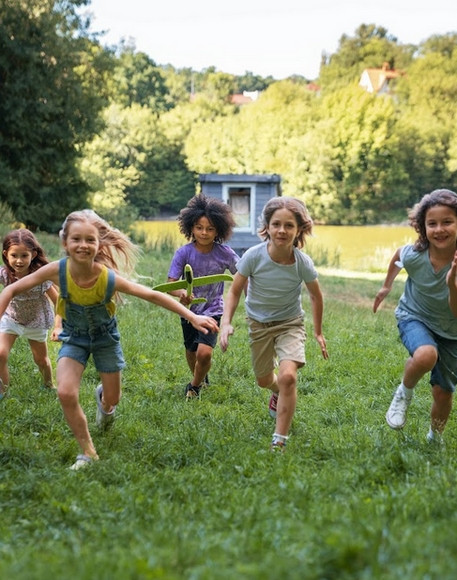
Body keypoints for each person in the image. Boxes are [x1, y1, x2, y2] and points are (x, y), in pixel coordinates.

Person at [0, 210, 219, 469]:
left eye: (90, 240)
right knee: (65, 391)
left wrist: (192, 317)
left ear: (98, 244)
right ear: (65, 243)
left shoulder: (106, 277)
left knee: (113, 399)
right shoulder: (56, 270)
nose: (83, 245)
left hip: (105, 340)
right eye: (76, 239)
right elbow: (12, 289)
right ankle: (87, 451)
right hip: (75, 338)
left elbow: (151, 295)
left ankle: (104, 400)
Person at [219, 197, 328, 452]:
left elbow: (315, 295)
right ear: (266, 227)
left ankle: (279, 440)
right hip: (259, 325)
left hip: (290, 323)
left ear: (299, 229)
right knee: (264, 379)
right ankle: (276, 393)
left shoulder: (302, 263)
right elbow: (234, 291)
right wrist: (226, 323)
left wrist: (318, 332)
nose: (282, 230)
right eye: (276, 224)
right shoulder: (253, 257)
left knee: (288, 377)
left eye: (289, 225)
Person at [373, 189, 457, 443]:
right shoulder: (416, 254)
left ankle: (434, 437)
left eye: (448, 222)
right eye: (432, 223)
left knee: (443, 393)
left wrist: (452, 282)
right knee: (425, 354)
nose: (439, 229)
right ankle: (404, 393)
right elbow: (398, 255)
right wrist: (387, 285)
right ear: (423, 227)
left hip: (452, 330)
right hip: (414, 315)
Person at [167, 194, 239, 399]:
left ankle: (194, 387)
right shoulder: (183, 253)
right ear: (191, 227)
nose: (204, 233)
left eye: (210, 228)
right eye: (199, 227)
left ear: (219, 230)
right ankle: (200, 378)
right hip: (188, 311)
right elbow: (170, 286)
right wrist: (181, 293)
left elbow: (241, 276)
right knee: (191, 351)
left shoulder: (225, 253)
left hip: (213, 310)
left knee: (204, 352)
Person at [0, 229, 58, 399]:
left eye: (24, 255)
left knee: (41, 360)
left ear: (33, 254)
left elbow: (57, 300)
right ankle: (3, 390)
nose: (19, 261)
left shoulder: (41, 275)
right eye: (14, 255)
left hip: (36, 321)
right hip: (12, 318)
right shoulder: (5, 273)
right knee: (1, 354)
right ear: (6, 254)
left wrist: (59, 325)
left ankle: (49, 385)